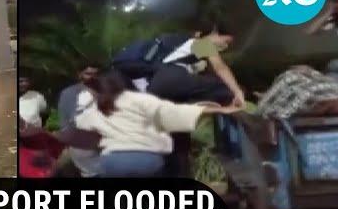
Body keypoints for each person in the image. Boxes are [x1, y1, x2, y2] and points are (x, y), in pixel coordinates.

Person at [75, 71, 240, 177]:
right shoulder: (138, 99)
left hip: (113, 162)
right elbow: (175, 113)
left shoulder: (98, 106)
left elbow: (80, 124)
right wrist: (221, 110)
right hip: (147, 161)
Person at [147, 22, 245, 107]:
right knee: (224, 88)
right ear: (214, 33)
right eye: (225, 41)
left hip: (157, 84)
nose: (225, 46)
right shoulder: (203, 43)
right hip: (172, 77)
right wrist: (237, 91)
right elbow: (220, 68)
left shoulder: (189, 43)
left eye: (228, 45)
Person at [56, 63, 102, 177]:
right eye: (88, 74)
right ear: (80, 74)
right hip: (82, 143)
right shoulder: (69, 93)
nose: (92, 77)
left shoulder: (106, 90)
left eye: (96, 74)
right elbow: (66, 120)